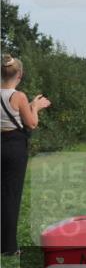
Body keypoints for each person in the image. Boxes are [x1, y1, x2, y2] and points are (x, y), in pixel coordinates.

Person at [1, 54, 51, 256]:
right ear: (19, 75)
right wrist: (35, 107)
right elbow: (31, 123)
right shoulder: (18, 96)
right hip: (14, 148)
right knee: (11, 195)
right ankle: (8, 248)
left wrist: (29, 106)